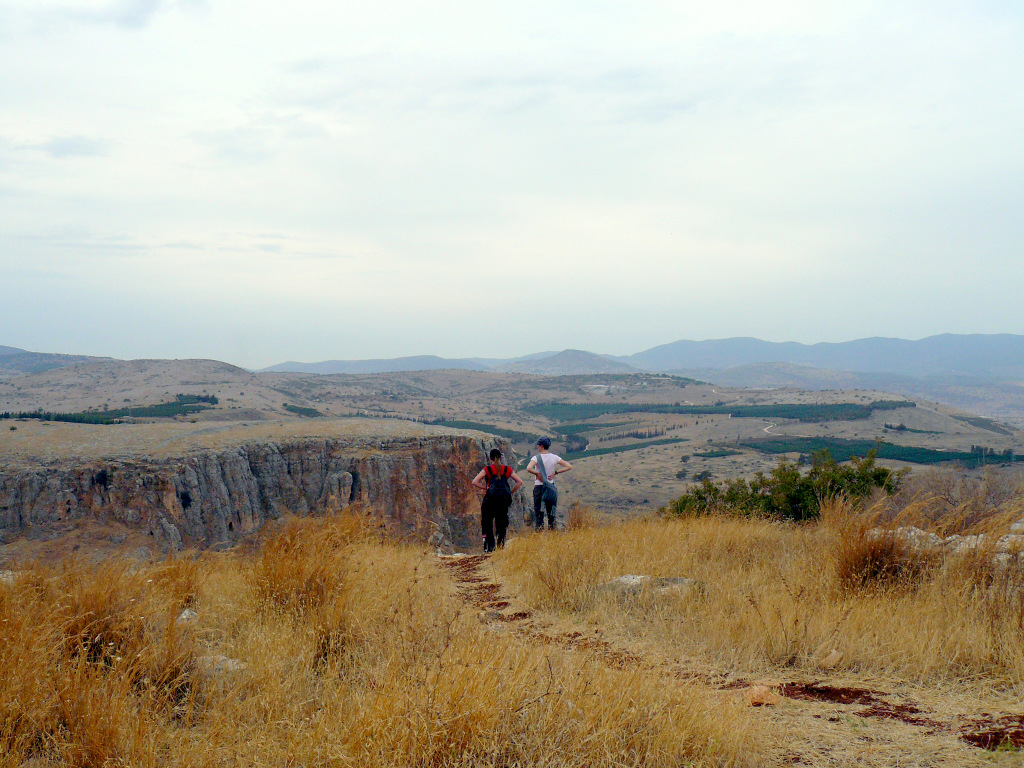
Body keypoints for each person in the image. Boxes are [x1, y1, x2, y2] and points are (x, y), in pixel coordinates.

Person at [471, 448, 524, 553]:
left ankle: (489, 548)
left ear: (490, 458)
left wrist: (486, 488)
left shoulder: (488, 469)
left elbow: (475, 481)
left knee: (487, 523)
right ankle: (501, 546)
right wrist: (510, 491)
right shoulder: (507, 469)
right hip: (503, 501)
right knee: (501, 523)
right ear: (500, 457)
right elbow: (519, 482)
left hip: (490, 500)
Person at [526, 437, 572, 530]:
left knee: (539, 513)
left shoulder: (536, 458)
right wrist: (556, 472)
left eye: (538, 445)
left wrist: (537, 474)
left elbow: (528, 468)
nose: (537, 446)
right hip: (550, 487)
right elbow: (568, 466)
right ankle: (552, 533)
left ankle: (539, 533)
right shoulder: (554, 457)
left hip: (539, 487)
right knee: (551, 514)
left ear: (541, 446)